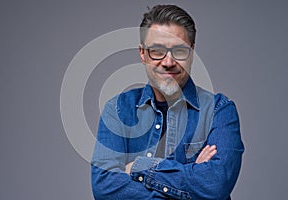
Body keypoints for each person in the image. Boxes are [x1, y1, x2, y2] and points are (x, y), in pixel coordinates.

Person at [91, 4, 244, 200]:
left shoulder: (219, 111)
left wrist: (140, 168)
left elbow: (216, 185)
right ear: (142, 53)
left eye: (179, 51)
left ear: (192, 52)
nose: (168, 62)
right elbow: (103, 188)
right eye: (157, 51)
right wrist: (192, 176)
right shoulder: (118, 110)